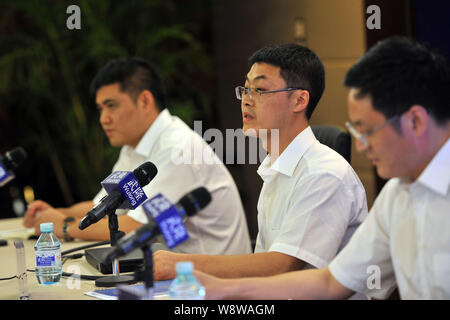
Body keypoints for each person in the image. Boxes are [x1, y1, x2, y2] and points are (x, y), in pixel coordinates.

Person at [194, 36, 450, 300]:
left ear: (416, 122)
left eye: (368, 130)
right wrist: (226, 290)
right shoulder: (397, 195)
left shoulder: (326, 173)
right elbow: (330, 282)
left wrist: (192, 271)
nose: (361, 146)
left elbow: (283, 267)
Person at [152, 43, 368, 287]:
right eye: (245, 89)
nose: (246, 100)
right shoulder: (275, 167)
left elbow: (281, 265)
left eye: (260, 90)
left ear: (299, 100)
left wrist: (184, 265)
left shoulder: (324, 174)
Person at [23, 57, 252, 255]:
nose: (104, 118)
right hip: (168, 271)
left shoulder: (178, 149)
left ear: (144, 101)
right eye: (100, 109)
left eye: (111, 106)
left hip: (208, 287)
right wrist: (51, 214)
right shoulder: (133, 147)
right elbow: (103, 207)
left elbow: (138, 228)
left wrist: (63, 226)